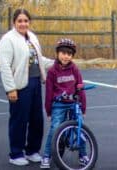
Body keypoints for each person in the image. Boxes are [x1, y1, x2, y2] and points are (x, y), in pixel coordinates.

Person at [0, 8, 53, 166]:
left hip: (35, 83)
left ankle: (32, 151)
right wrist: (10, 89)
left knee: (37, 119)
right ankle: (16, 154)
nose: (23, 24)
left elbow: (38, 59)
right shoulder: (8, 39)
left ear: (29, 22)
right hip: (20, 86)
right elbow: (5, 66)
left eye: (26, 21)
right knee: (19, 120)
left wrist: (55, 62)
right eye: (20, 21)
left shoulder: (32, 37)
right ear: (14, 22)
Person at [40, 38, 88, 169]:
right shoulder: (52, 71)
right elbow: (49, 93)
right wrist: (48, 111)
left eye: (69, 54)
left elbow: (80, 89)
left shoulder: (75, 70)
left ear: (72, 56)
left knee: (80, 128)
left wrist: (83, 108)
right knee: (55, 128)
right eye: (63, 53)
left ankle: (83, 155)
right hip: (59, 104)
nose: (66, 56)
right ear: (57, 53)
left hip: (73, 103)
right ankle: (47, 155)